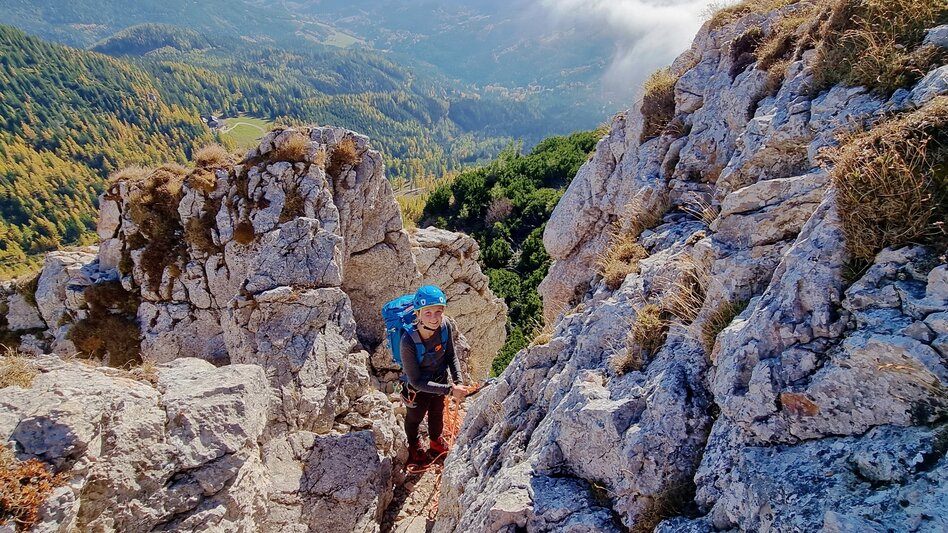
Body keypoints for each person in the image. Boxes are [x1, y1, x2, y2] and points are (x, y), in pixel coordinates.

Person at [400, 285, 473, 464]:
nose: (434, 318)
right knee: (414, 418)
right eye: (428, 313)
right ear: (418, 314)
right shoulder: (407, 341)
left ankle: (435, 442)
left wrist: (458, 382)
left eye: (438, 312)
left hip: (440, 381)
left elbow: (450, 355)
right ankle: (413, 443)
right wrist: (449, 389)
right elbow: (416, 381)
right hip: (418, 388)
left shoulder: (445, 325)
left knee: (436, 413)